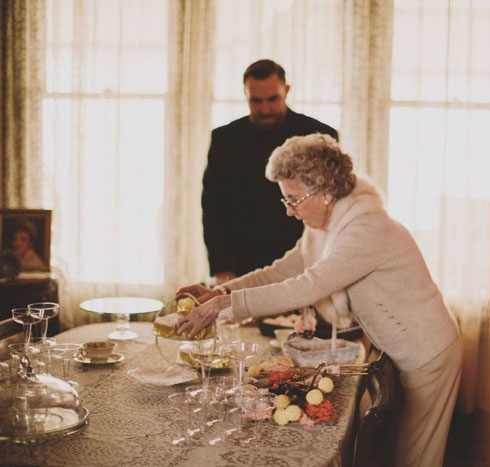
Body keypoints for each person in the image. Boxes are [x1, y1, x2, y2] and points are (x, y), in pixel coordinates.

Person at [177, 133, 463, 466]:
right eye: (285, 200)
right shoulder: (327, 222)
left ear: (325, 192)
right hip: (406, 348)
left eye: (293, 199)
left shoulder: (366, 230)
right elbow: (285, 269)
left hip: (430, 352)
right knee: (398, 451)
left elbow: (305, 285)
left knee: (417, 456)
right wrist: (221, 292)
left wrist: (225, 307)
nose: (289, 211)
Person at [202, 59, 338, 284]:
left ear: (286, 91)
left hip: (303, 260)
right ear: (245, 94)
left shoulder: (319, 135)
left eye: (273, 99)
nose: (265, 109)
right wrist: (221, 267)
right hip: (241, 262)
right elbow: (212, 206)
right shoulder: (224, 139)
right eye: (256, 101)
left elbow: (331, 203)